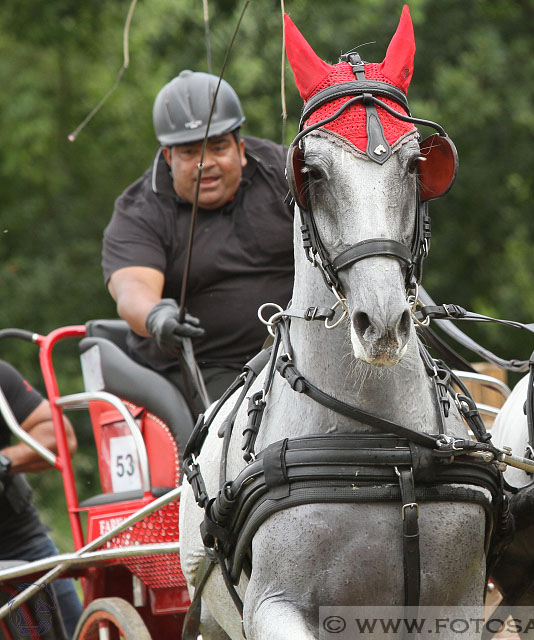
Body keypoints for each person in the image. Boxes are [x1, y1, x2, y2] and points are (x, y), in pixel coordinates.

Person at [101, 70, 294, 410]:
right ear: (168, 158)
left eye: (218, 147)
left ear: (241, 148)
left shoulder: (284, 171)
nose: (205, 164)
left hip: (309, 345)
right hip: (211, 366)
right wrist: (156, 317)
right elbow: (132, 290)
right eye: (189, 153)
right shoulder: (139, 210)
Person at [0, 359, 82, 635]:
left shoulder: (1, 375)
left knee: (73, 632)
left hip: (20, 542)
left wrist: (3, 460)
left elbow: (61, 437)